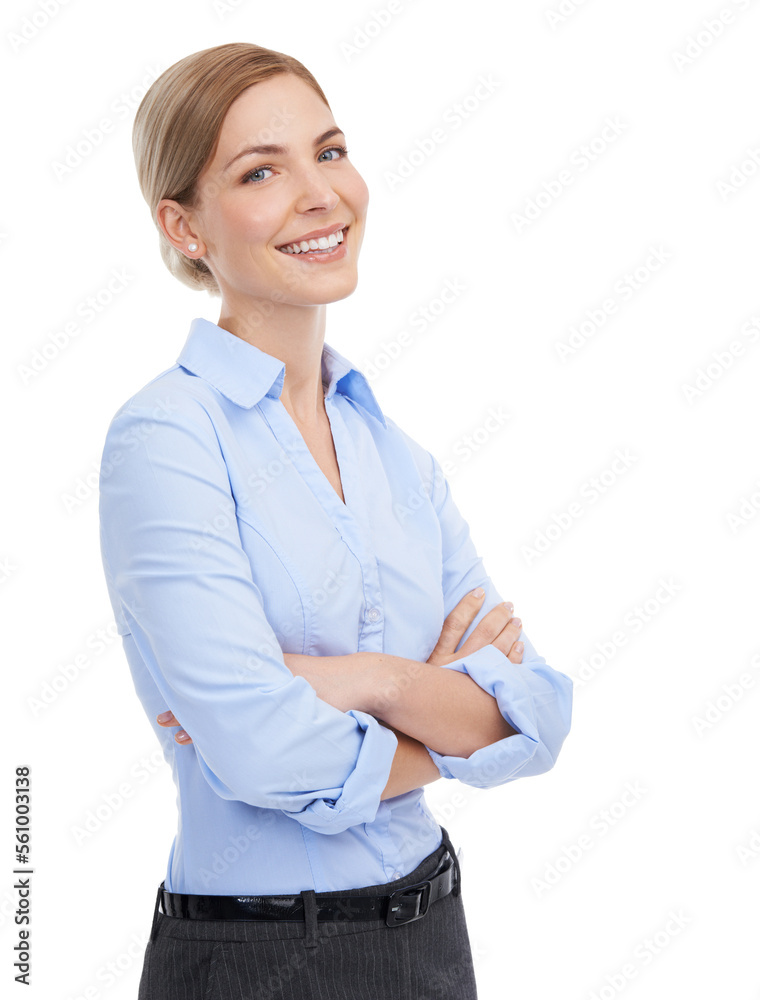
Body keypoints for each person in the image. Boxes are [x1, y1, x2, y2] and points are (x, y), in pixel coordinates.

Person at [97, 41, 573, 1000]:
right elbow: (263, 752)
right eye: (260, 171)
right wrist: (448, 715)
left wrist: (362, 679)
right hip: (262, 960)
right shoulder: (167, 440)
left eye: (330, 150)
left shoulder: (395, 454)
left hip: (433, 936)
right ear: (184, 227)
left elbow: (541, 711)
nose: (319, 193)